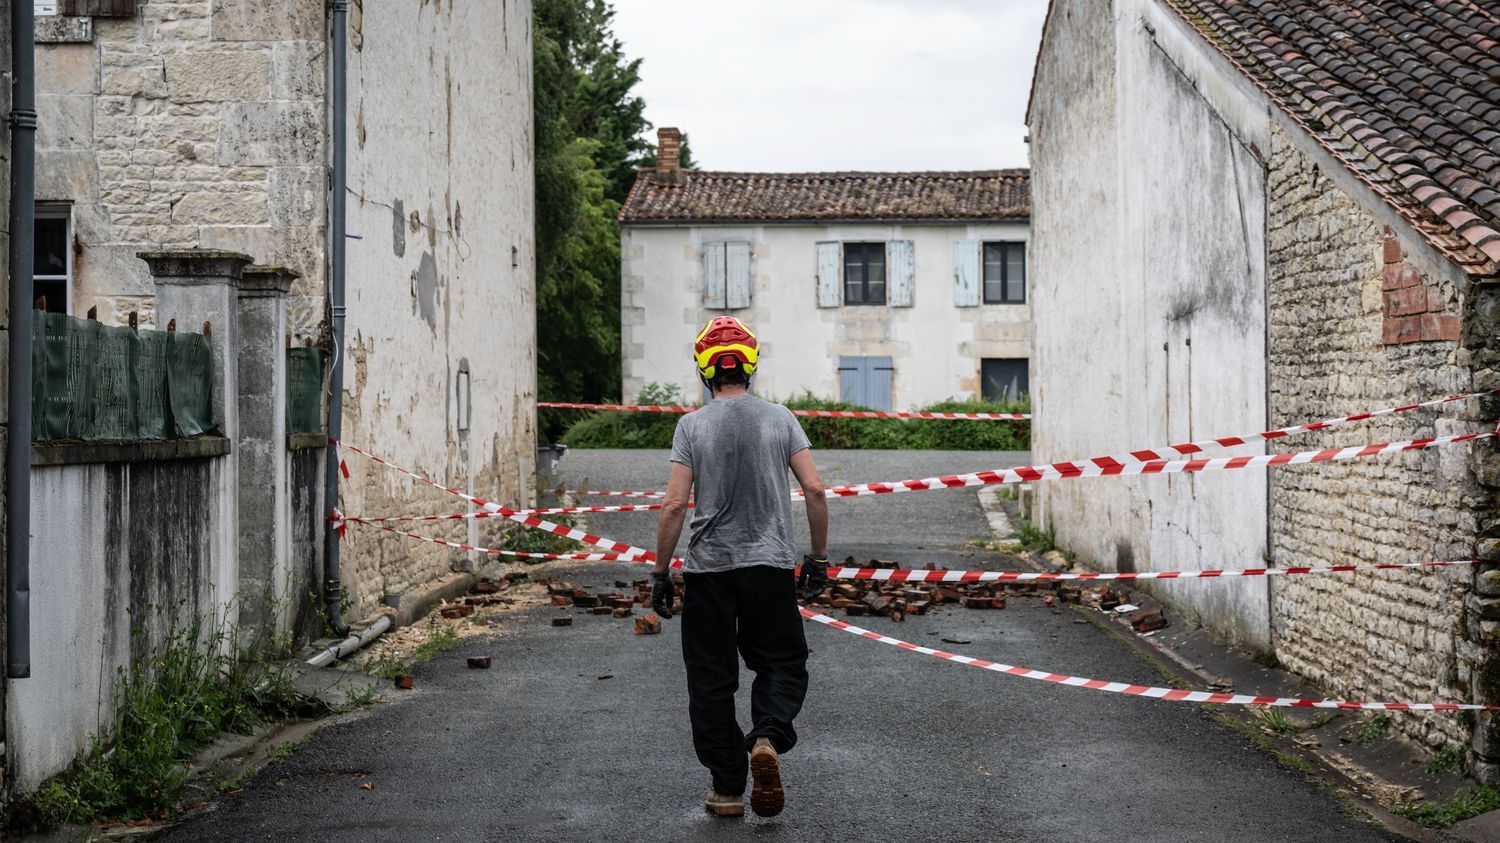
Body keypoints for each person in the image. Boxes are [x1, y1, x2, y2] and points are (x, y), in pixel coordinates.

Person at [652, 316, 830, 819]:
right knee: (780, 662)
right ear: (750, 364)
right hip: (769, 566)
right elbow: (815, 490)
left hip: (709, 571)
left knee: (710, 680)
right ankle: (768, 737)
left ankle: (728, 789)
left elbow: (672, 506)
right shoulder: (780, 418)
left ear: (705, 369)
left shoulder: (692, 426)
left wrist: (661, 572)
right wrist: (816, 559)